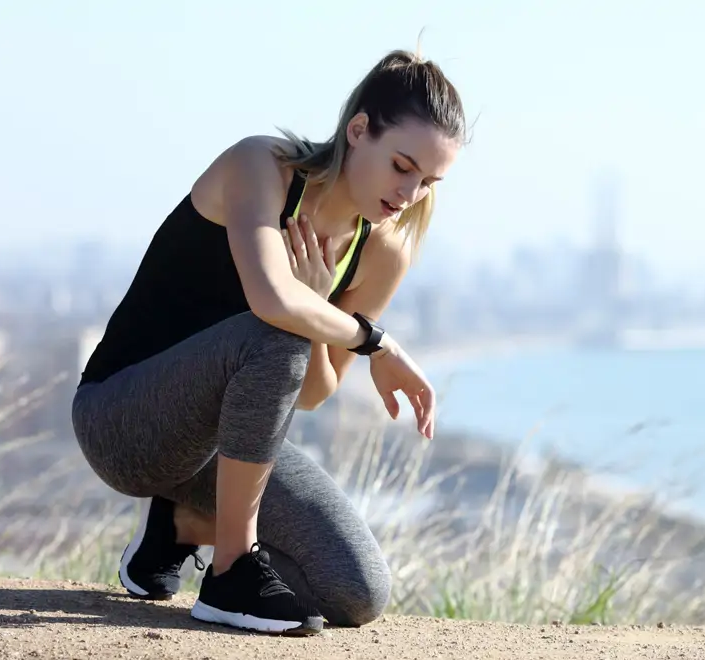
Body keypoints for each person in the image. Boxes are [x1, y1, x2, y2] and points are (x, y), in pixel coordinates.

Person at [70, 48, 466, 636]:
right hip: (120, 420)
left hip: (218, 449)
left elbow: (311, 393)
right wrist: (374, 343)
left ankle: (177, 525)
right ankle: (230, 574)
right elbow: (270, 302)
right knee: (273, 332)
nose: (409, 193)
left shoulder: (382, 249)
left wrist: (313, 313)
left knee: (358, 592)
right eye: (402, 166)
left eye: (428, 181)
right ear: (358, 130)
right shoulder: (260, 167)